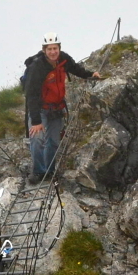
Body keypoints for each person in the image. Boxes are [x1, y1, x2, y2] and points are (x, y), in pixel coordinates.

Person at [25, 32, 100, 184]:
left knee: (53, 141)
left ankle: (49, 171)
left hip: (57, 108)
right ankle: (38, 172)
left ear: (59, 48)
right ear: (44, 50)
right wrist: (36, 121)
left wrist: (90, 74)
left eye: (55, 48)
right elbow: (31, 94)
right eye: (49, 49)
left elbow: (75, 68)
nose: (53, 52)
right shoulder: (37, 67)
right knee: (38, 139)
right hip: (41, 109)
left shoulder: (63, 59)